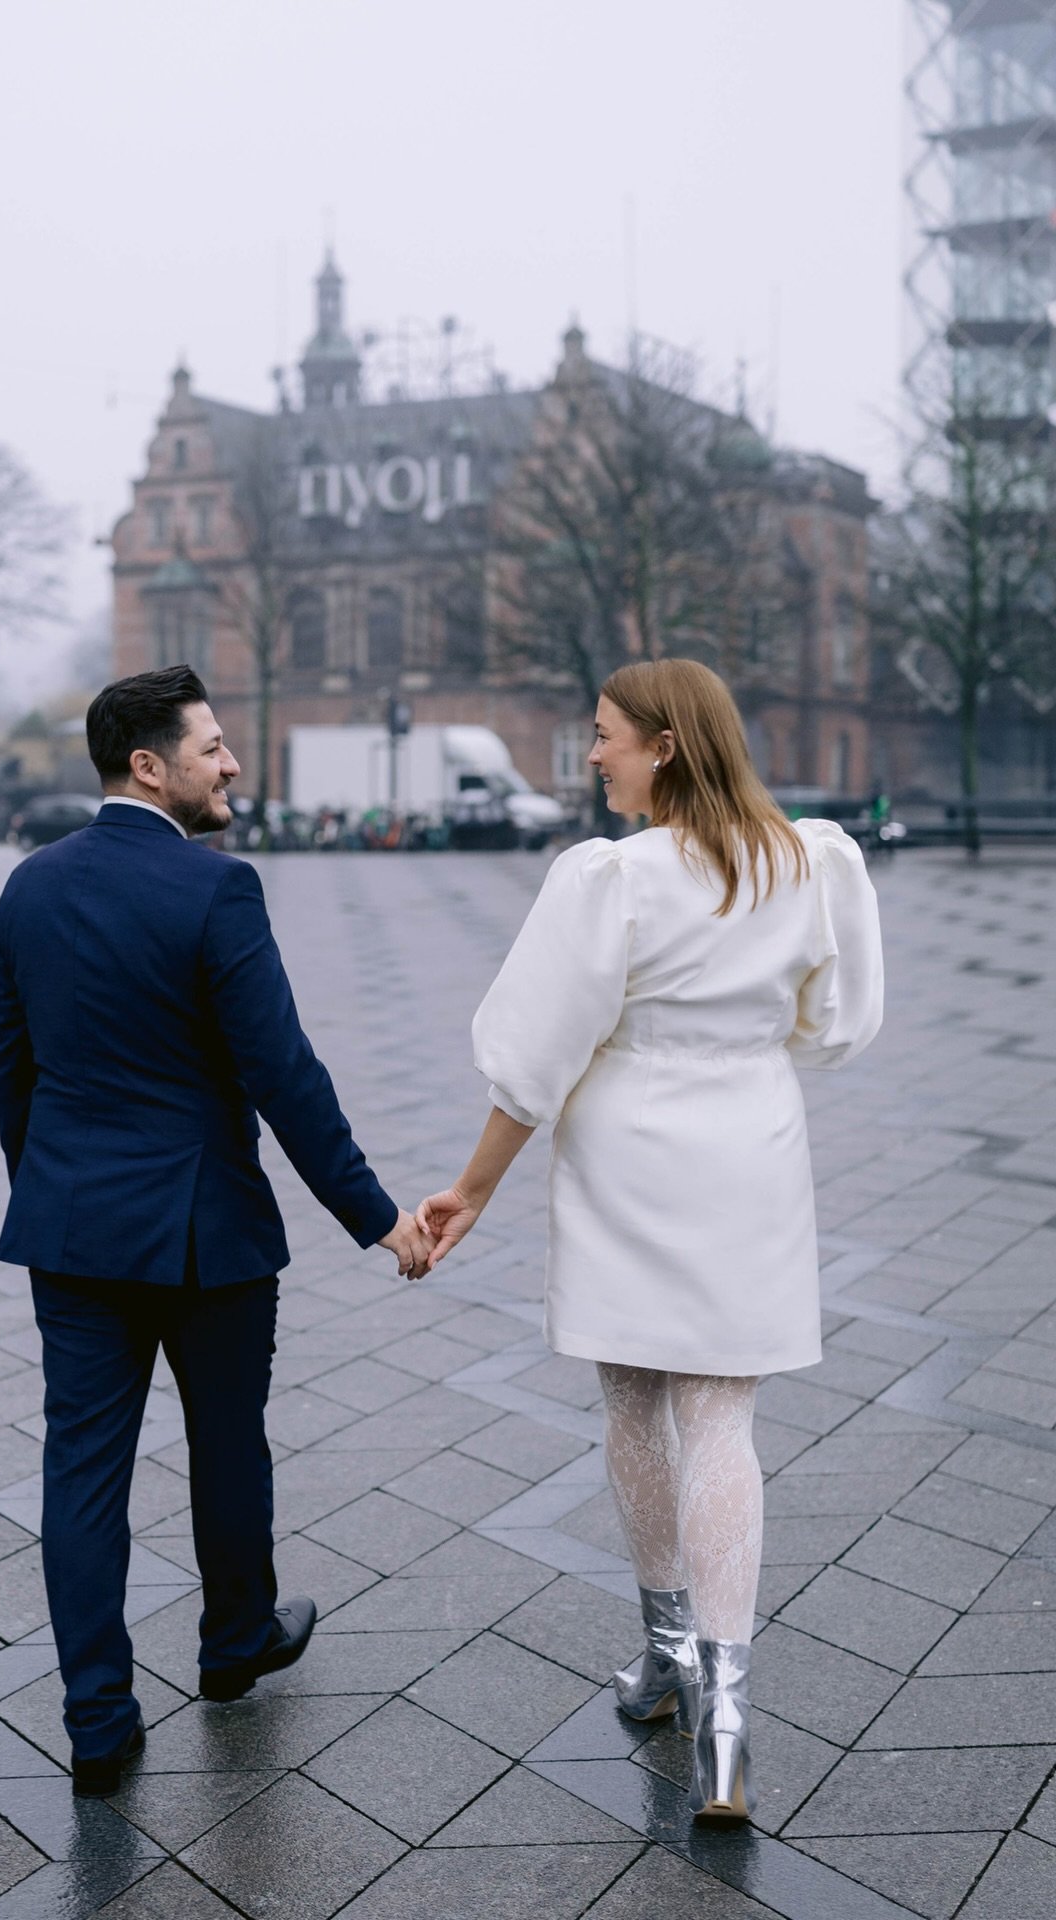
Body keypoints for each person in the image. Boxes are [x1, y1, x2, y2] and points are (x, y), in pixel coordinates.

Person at [416, 659, 882, 1823]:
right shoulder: (809, 859)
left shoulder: (610, 880)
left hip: (629, 1147)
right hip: (751, 1143)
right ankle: (726, 1718)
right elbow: (840, 1026)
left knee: (634, 1402)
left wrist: (469, 1192)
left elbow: (535, 1058)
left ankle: (668, 1652)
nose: (592, 755)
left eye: (605, 736)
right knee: (722, 1415)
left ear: (664, 744)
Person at [0, 665, 431, 1797]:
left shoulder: (28, 890)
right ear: (151, 766)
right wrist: (378, 1216)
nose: (231, 764)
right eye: (212, 748)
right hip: (205, 1235)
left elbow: (13, 1076)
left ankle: (98, 1721)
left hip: (72, 1229)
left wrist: (56, 1194)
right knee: (228, 1442)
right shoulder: (214, 891)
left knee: (80, 1469)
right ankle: (235, 1643)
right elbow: (280, 1071)